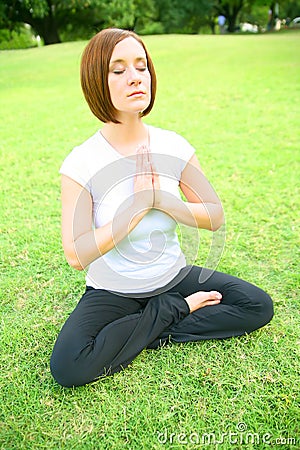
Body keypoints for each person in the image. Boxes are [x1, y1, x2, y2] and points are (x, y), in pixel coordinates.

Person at [50, 28, 273, 387]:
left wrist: (164, 201)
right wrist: (135, 209)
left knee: (256, 306)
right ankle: (172, 314)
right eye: (118, 69)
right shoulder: (81, 163)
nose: (135, 77)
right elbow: (77, 254)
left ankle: (137, 334)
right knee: (69, 365)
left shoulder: (174, 146)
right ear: (96, 81)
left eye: (142, 66)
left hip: (173, 278)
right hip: (113, 291)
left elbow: (214, 216)